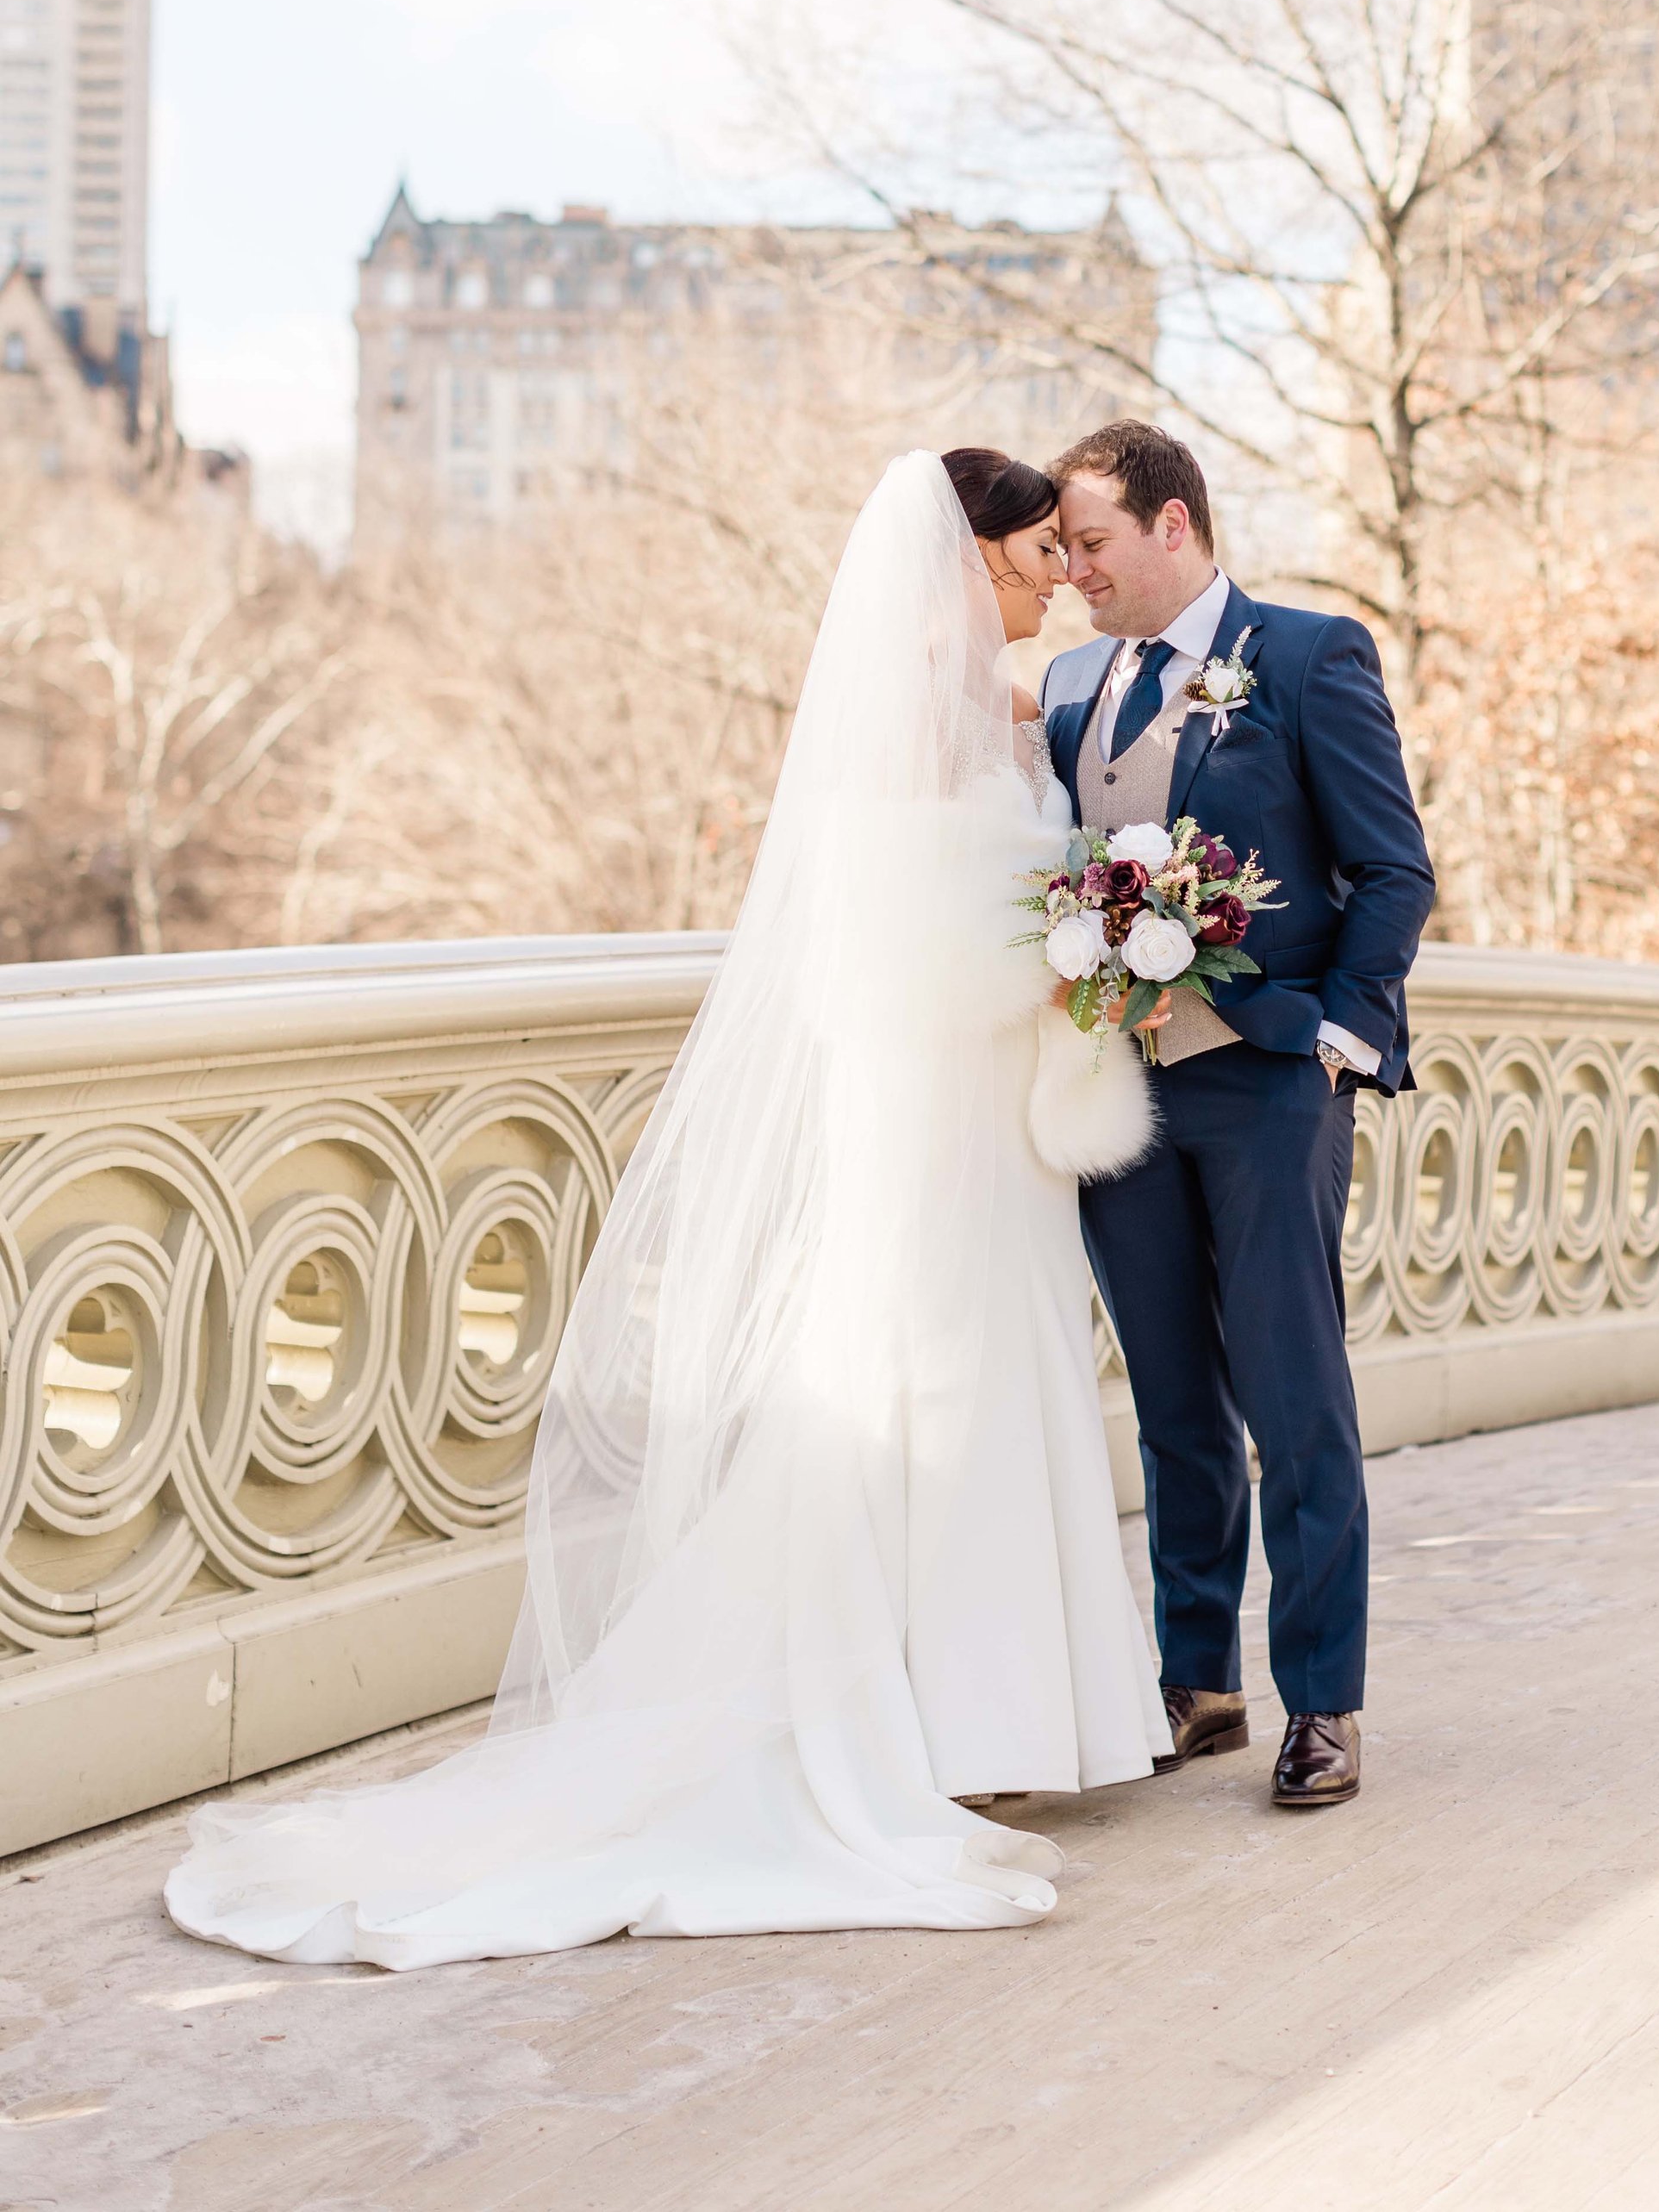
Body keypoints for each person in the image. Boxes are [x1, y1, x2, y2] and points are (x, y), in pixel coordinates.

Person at [165, 448, 1168, 1971]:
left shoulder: (1007, 710)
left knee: (1000, 1379)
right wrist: (1071, 953)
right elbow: (884, 949)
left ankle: (995, 1713)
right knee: (932, 1382)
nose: (1050, 579)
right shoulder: (901, 721)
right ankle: (925, 1720)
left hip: (996, 1121)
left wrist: (1089, 938)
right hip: (931, 1115)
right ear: (961, 560)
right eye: (1030, 551)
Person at [1045, 420, 1434, 1810]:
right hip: (1121, 1094)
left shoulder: (1309, 654)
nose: (1073, 569)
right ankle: (1196, 1679)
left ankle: (1322, 1698)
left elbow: (1395, 870)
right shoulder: (1070, 683)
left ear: (1172, 525)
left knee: (1290, 1389)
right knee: (1171, 1398)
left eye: (1091, 541)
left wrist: (1339, 1033)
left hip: (1271, 1079)